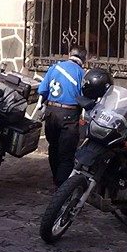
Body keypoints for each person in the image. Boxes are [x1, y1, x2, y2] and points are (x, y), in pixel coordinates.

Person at [38, 46, 87, 186]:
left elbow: (43, 90)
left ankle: (56, 179)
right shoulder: (81, 73)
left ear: (70, 55)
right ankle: (62, 186)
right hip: (69, 115)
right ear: (84, 59)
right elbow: (84, 97)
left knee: (53, 147)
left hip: (51, 113)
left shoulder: (54, 68)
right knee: (67, 154)